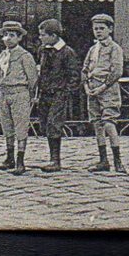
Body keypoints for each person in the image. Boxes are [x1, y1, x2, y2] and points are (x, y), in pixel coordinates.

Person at [82, 12, 127, 174]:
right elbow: (85, 69)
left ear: (110, 29)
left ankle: (117, 160)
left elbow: (116, 72)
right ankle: (103, 160)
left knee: (109, 122)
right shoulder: (93, 49)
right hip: (92, 90)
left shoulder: (115, 49)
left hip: (108, 90)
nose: (98, 31)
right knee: (97, 124)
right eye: (95, 29)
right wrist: (87, 87)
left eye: (102, 28)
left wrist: (102, 87)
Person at [34, 19, 79, 174]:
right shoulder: (43, 50)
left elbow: (74, 75)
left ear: (54, 36)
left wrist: (66, 92)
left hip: (58, 93)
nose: (41, 38)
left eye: (43, 35)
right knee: (45, 124)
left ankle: (56, 160)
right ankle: (51, 157)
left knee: (54, 124)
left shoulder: (67, 52)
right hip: (45, 93)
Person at [0, 20, 39, 175]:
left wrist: (30, 96)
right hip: (4, 92)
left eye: (12, 35)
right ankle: (9, 158)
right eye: (6, 35)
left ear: (19, 38)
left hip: (19, 92)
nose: (8, 38)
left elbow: (33, 78)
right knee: (7, 126)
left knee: (20, 127)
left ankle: (20, 161)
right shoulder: (3, 55)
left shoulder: (25, 56)